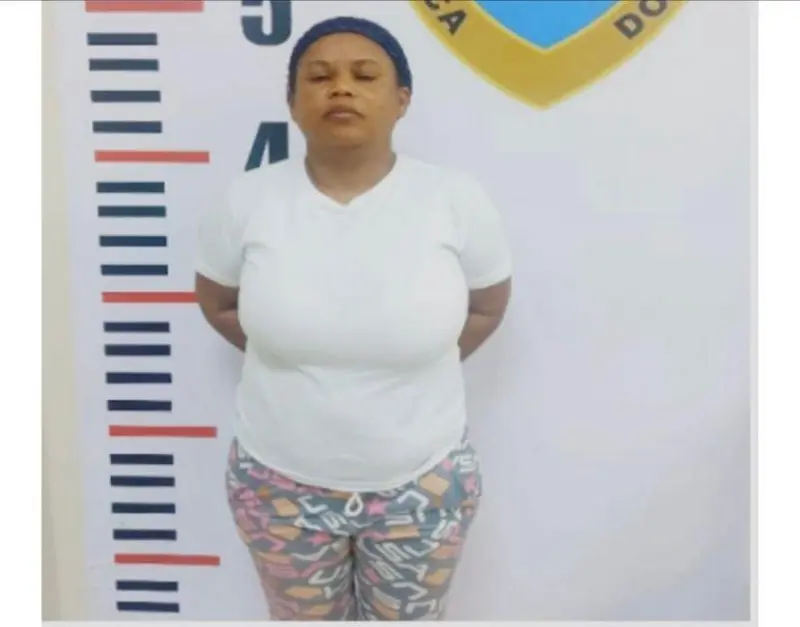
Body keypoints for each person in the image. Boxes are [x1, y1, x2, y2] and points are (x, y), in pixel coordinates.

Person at [195, 15, 512, 621]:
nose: (341, 87)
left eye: (365, 76)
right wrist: (302, 353)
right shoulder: (246, 200)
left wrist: (404, 361)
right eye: (319, 77)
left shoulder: (455, 199)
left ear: (402, 100)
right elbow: (219, 302)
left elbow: (487, 306)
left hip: (423, 485)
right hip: (277, 485)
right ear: (292, 102)